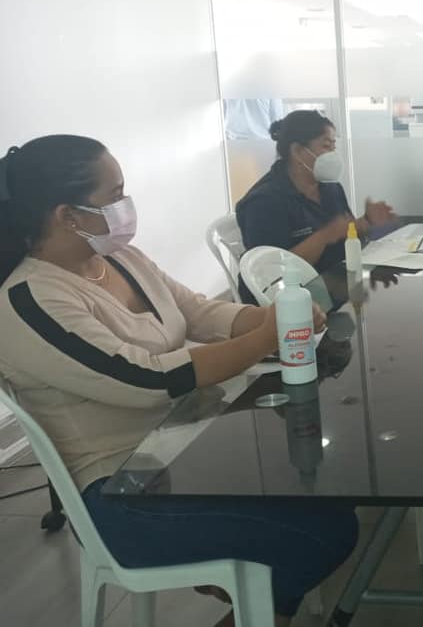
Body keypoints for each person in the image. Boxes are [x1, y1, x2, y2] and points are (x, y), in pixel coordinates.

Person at [0, 135, 358, 627]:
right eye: (115, 195)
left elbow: (199, 311)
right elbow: (146, 380)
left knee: (322, 488)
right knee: (323, 532)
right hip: (121, 492)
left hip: (180, 446)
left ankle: (255, 598)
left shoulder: (120, 260)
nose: (127, 205)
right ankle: (254, 597)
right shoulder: (30, 299)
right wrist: (266, 336)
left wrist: (266, 317)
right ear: (68, 216)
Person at [236, 110, 397, 303]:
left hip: (332, 285)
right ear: (297, 151)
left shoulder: (330, 188)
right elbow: (272, 273)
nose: (333, 155)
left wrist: (365, 222)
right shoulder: (263, 201)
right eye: (326, 146)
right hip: (285, 302)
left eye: (334, 147)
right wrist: (326, 235)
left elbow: (344, 235)